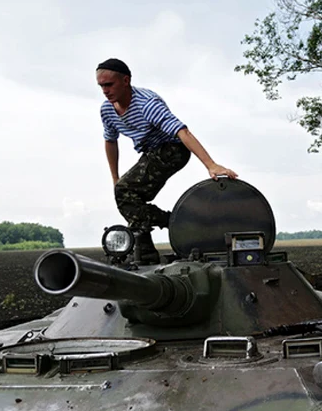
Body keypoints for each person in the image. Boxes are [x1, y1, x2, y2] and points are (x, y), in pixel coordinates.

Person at [96, 58, 238, 264]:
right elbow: (110, 141)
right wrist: (115, 177)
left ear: (125, 80)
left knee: (125, 192)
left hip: (173, 149)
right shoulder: (107, 110)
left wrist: (211, 165)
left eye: (109, 85)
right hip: (150, 152)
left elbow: (183, 131)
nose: (105, 91)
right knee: (128, 195)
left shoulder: (147, 104)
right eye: (101, 86)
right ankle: (158, 237)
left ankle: (165, 233)